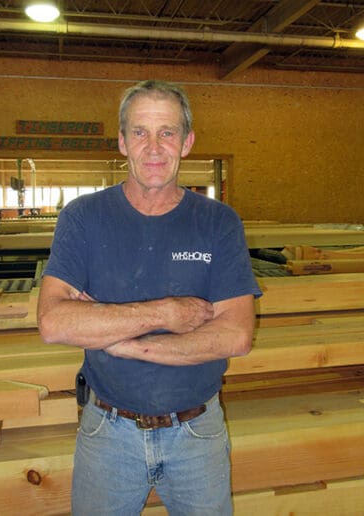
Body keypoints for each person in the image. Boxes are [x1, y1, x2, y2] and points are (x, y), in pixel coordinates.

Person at [37, 79, 262, 516]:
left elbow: (235, 335)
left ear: (188, 142)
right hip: (107, 431)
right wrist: (168, 312)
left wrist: (124, 342)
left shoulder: (218, 223)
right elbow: (54, 323)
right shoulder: (83, 218)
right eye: (140, 132)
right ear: (122, 142)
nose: (154, 147)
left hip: (197, 431)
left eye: (167, 132)